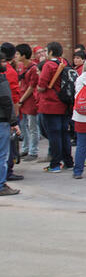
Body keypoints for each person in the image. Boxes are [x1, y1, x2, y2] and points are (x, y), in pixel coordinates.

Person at [37, 42, 73, 172]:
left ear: (51, 52)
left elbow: (42, 85)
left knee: (54, 135)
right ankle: (68, 162)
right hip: (64, 104)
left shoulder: (49, 65)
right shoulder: (65, 64)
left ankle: (55, 164)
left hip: (50, 104)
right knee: (64, 134)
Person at [0, 56, 20, 195]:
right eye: (2, 61)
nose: (5, 64)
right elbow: (7, 102)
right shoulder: (1, 79)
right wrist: (14, 122)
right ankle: (1, 186)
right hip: (2, 122)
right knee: (2, 155)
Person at [15, 44, 39, 161]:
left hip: (29, 101)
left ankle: (33, 151)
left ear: (24, 55)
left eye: (18, 53)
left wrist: (21, 99)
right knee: (23, 126)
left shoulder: (33, 68)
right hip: (22, 100)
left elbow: (31, 87)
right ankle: (25, 148)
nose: (16, 56)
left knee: (32, 127)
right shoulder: (20, 67)